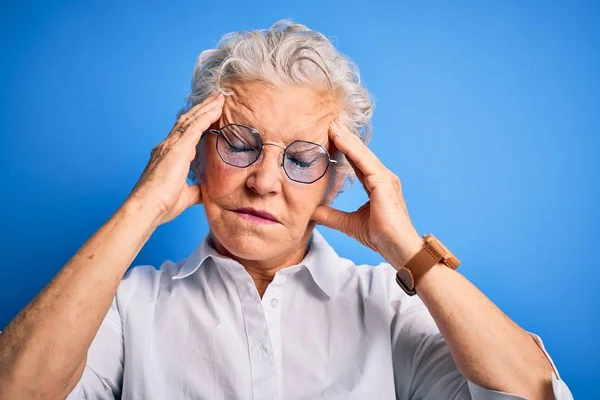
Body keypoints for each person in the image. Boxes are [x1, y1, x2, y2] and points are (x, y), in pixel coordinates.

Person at [0, 20, 573, 400]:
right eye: (240, 143)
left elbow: (536, 393)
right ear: (196, 151)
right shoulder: (131, 305)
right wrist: (141, 208)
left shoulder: (385, 305)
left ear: (336, 181)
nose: (264, 183)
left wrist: (406, 249)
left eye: (302, 159)